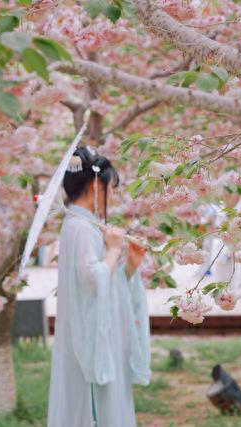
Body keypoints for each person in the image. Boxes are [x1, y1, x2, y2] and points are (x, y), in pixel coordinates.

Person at [47, 147, 151, 427]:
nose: (113, 196)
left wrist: (128, 264)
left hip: (98, 332)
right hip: (89, 339)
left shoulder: (85, 225)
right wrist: (114, 250)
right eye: (112, 188)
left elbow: (103, 284)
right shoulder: (79, 227)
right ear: (96, 185)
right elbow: (92, 279)